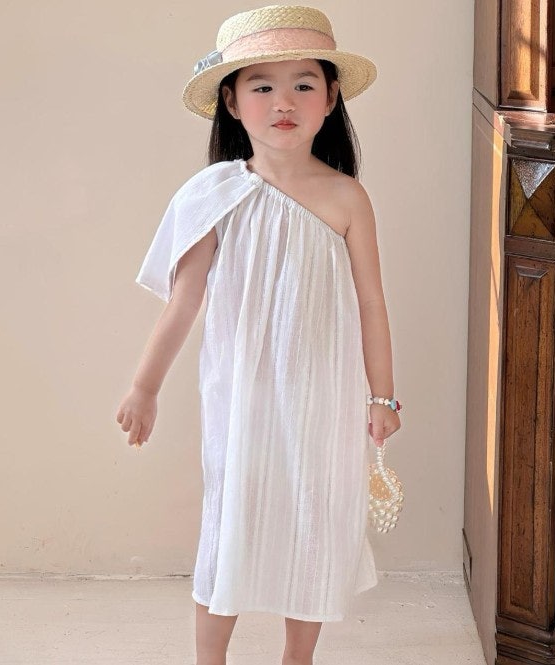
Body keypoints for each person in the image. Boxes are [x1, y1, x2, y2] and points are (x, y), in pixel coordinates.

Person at [116, 5, 401, 665]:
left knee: (315, 524)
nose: (284, 101)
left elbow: (371, 301)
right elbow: (185, 301)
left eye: (303, 84)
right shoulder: (215, 194)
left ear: (331, 96)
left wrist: (382, 397)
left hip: (323, 398)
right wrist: (144, 386)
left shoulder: (347, 198)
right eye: (262, 85)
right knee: (232, 524)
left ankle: (297, 658)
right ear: (231, 101)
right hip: (240, 398)